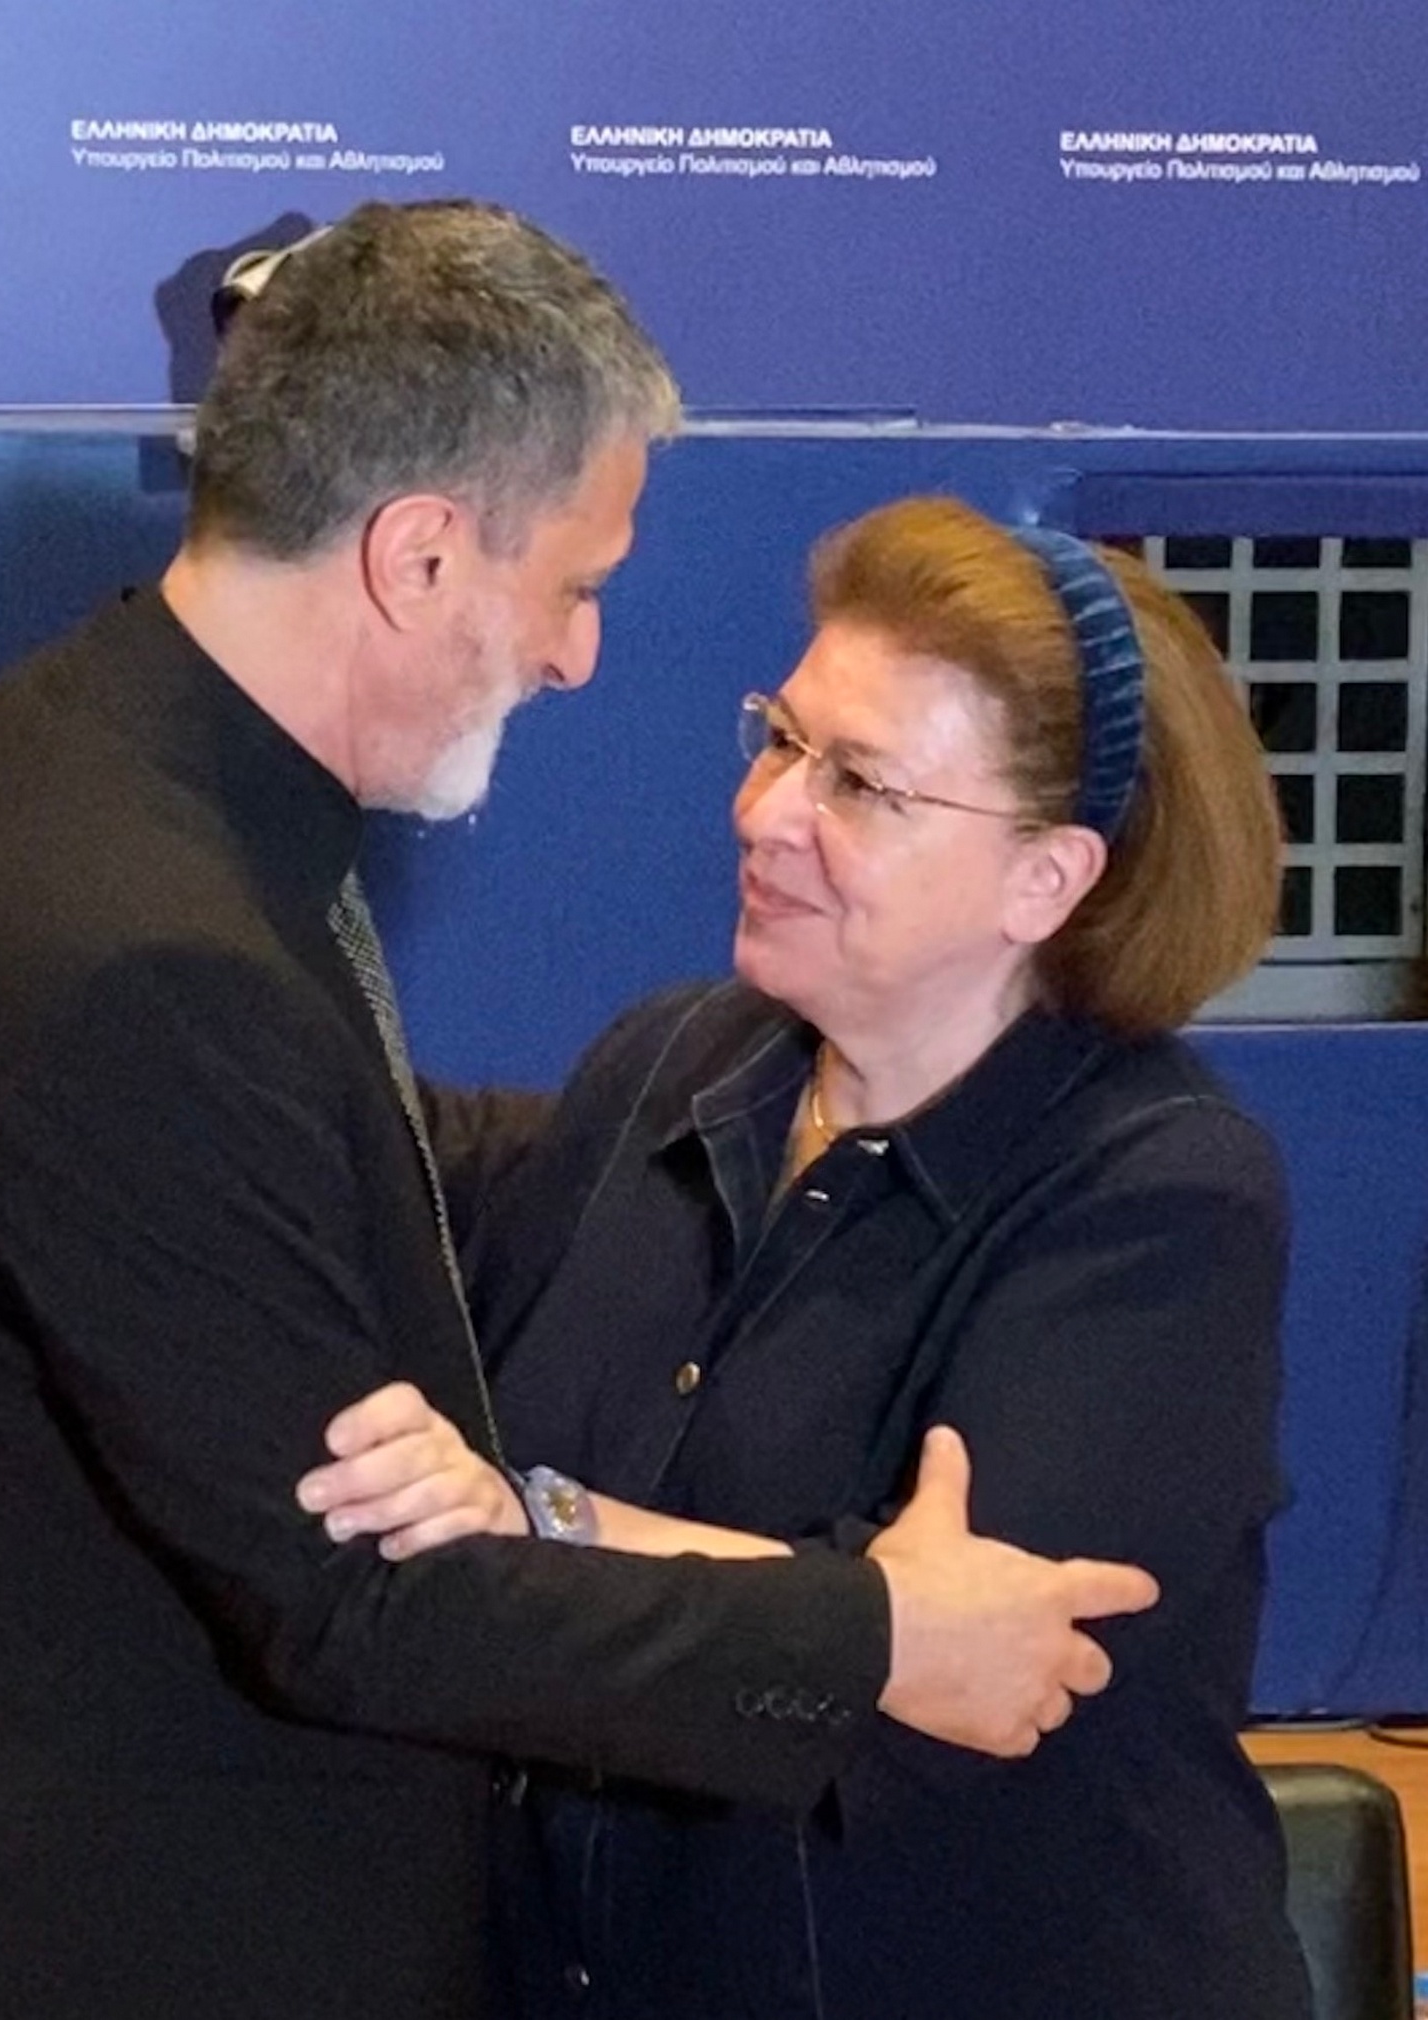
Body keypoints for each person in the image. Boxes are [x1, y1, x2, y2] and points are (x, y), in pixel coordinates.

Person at [0, 209, 1156, 2020]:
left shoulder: (81, 754)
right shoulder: (149, 955)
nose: (580, 656)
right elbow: (362, 1608)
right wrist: (879, 1636)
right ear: (424, 554)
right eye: (577, 586)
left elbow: (312, 1132)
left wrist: (723, 1140)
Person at [299, 497, 1314, 2018]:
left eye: (863, 785)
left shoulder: (1160, 1197)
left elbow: (947, 1685)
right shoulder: (675, 1066)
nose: (767, 812)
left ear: (1047, 880)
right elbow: (877, 1627)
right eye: (781, 740)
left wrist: (530, 1523)